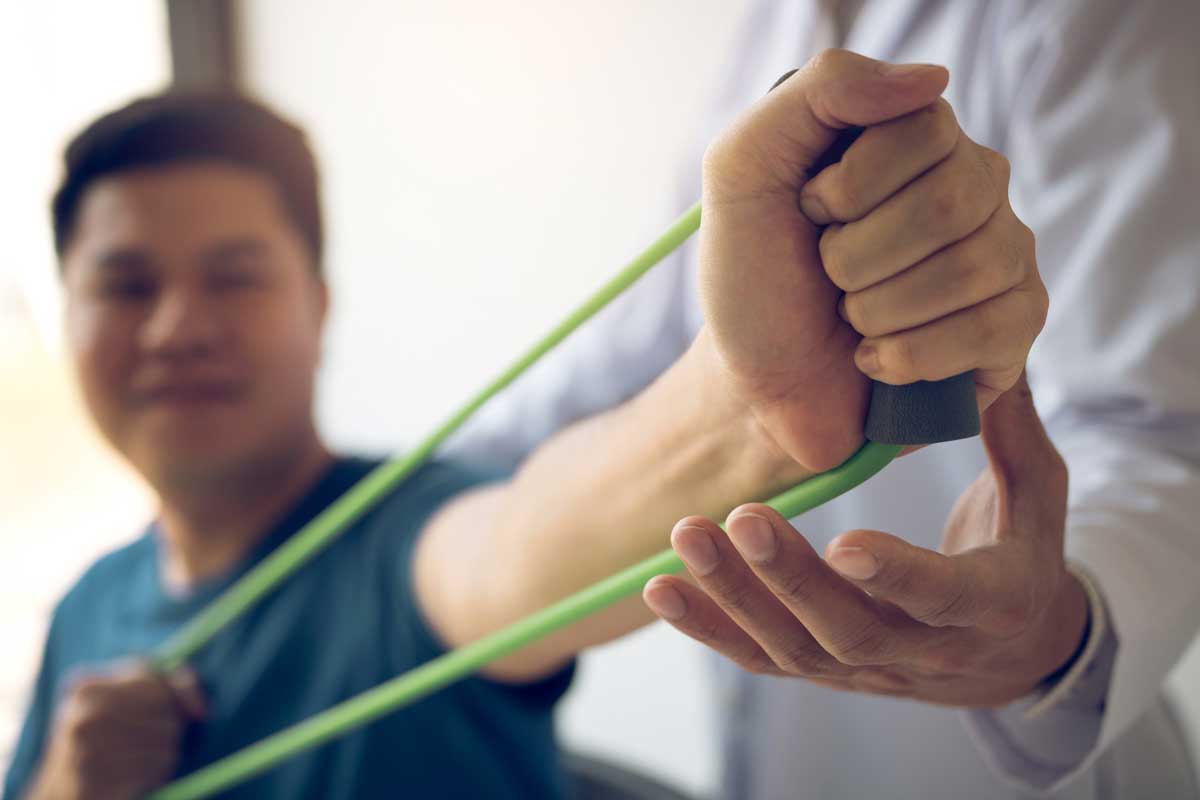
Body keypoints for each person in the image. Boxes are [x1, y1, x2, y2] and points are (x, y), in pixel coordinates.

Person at [3, 52, 1049, 798]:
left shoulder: (406, 537)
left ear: (320, 304)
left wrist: (752, 408)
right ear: (68, 318)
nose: (179, 325)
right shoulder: (84, 611)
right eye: (127, 282)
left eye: (234, 275)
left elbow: (520, 545)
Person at [447, 1, 1200, 798]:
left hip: (1023, 748)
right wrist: (404, 522)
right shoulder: (767, 27)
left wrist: (1057, 628)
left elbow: (1160, 423)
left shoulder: (1093, 18)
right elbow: (637, 352)